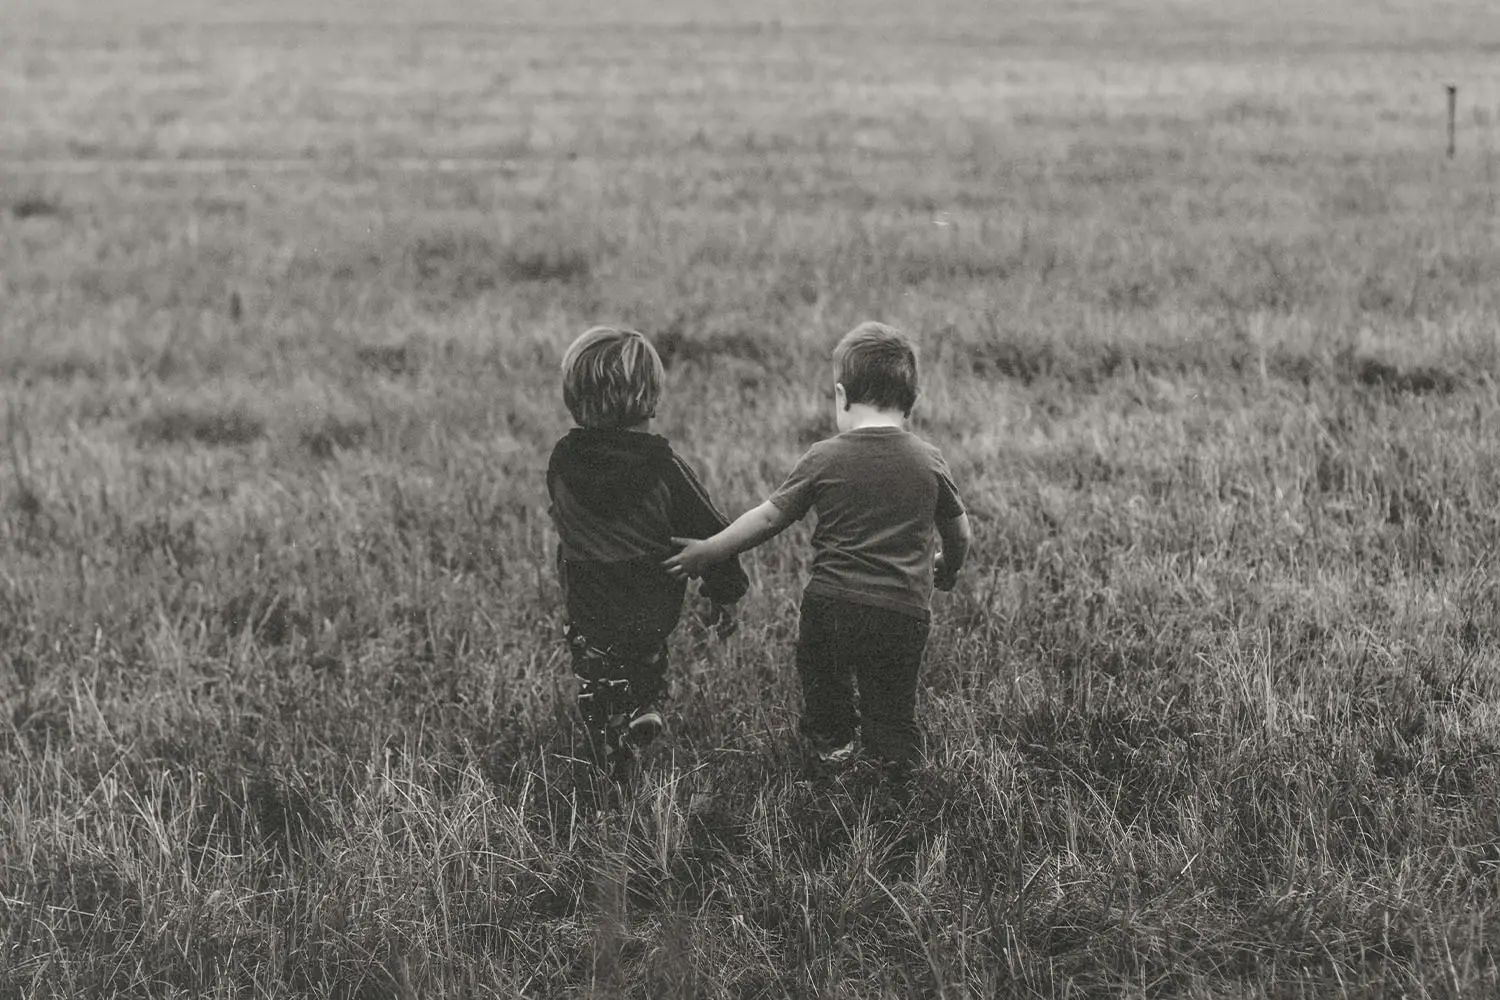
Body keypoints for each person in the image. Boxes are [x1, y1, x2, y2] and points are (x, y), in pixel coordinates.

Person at [665, 321, 970, 778]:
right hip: (902, 612)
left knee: (825, 686)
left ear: (842, 396)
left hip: (832, 606)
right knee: (891, 704)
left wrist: (710, 550)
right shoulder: (929, 460)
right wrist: (948, 566)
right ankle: (894, 767)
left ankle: (833, 748)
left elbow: (768, 518)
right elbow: (960, 532)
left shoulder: (824, 456)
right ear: (913, 401)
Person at [547, 326, 748, 782]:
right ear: (651, 399)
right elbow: (712, 529)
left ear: (574, 398)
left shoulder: (562, 461)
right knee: (645, 655)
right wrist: (725, 591)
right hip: (649, 601)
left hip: (588, 599)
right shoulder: (664, 467)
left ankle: (610, 734)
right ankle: (643, 703)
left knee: (596, 668)